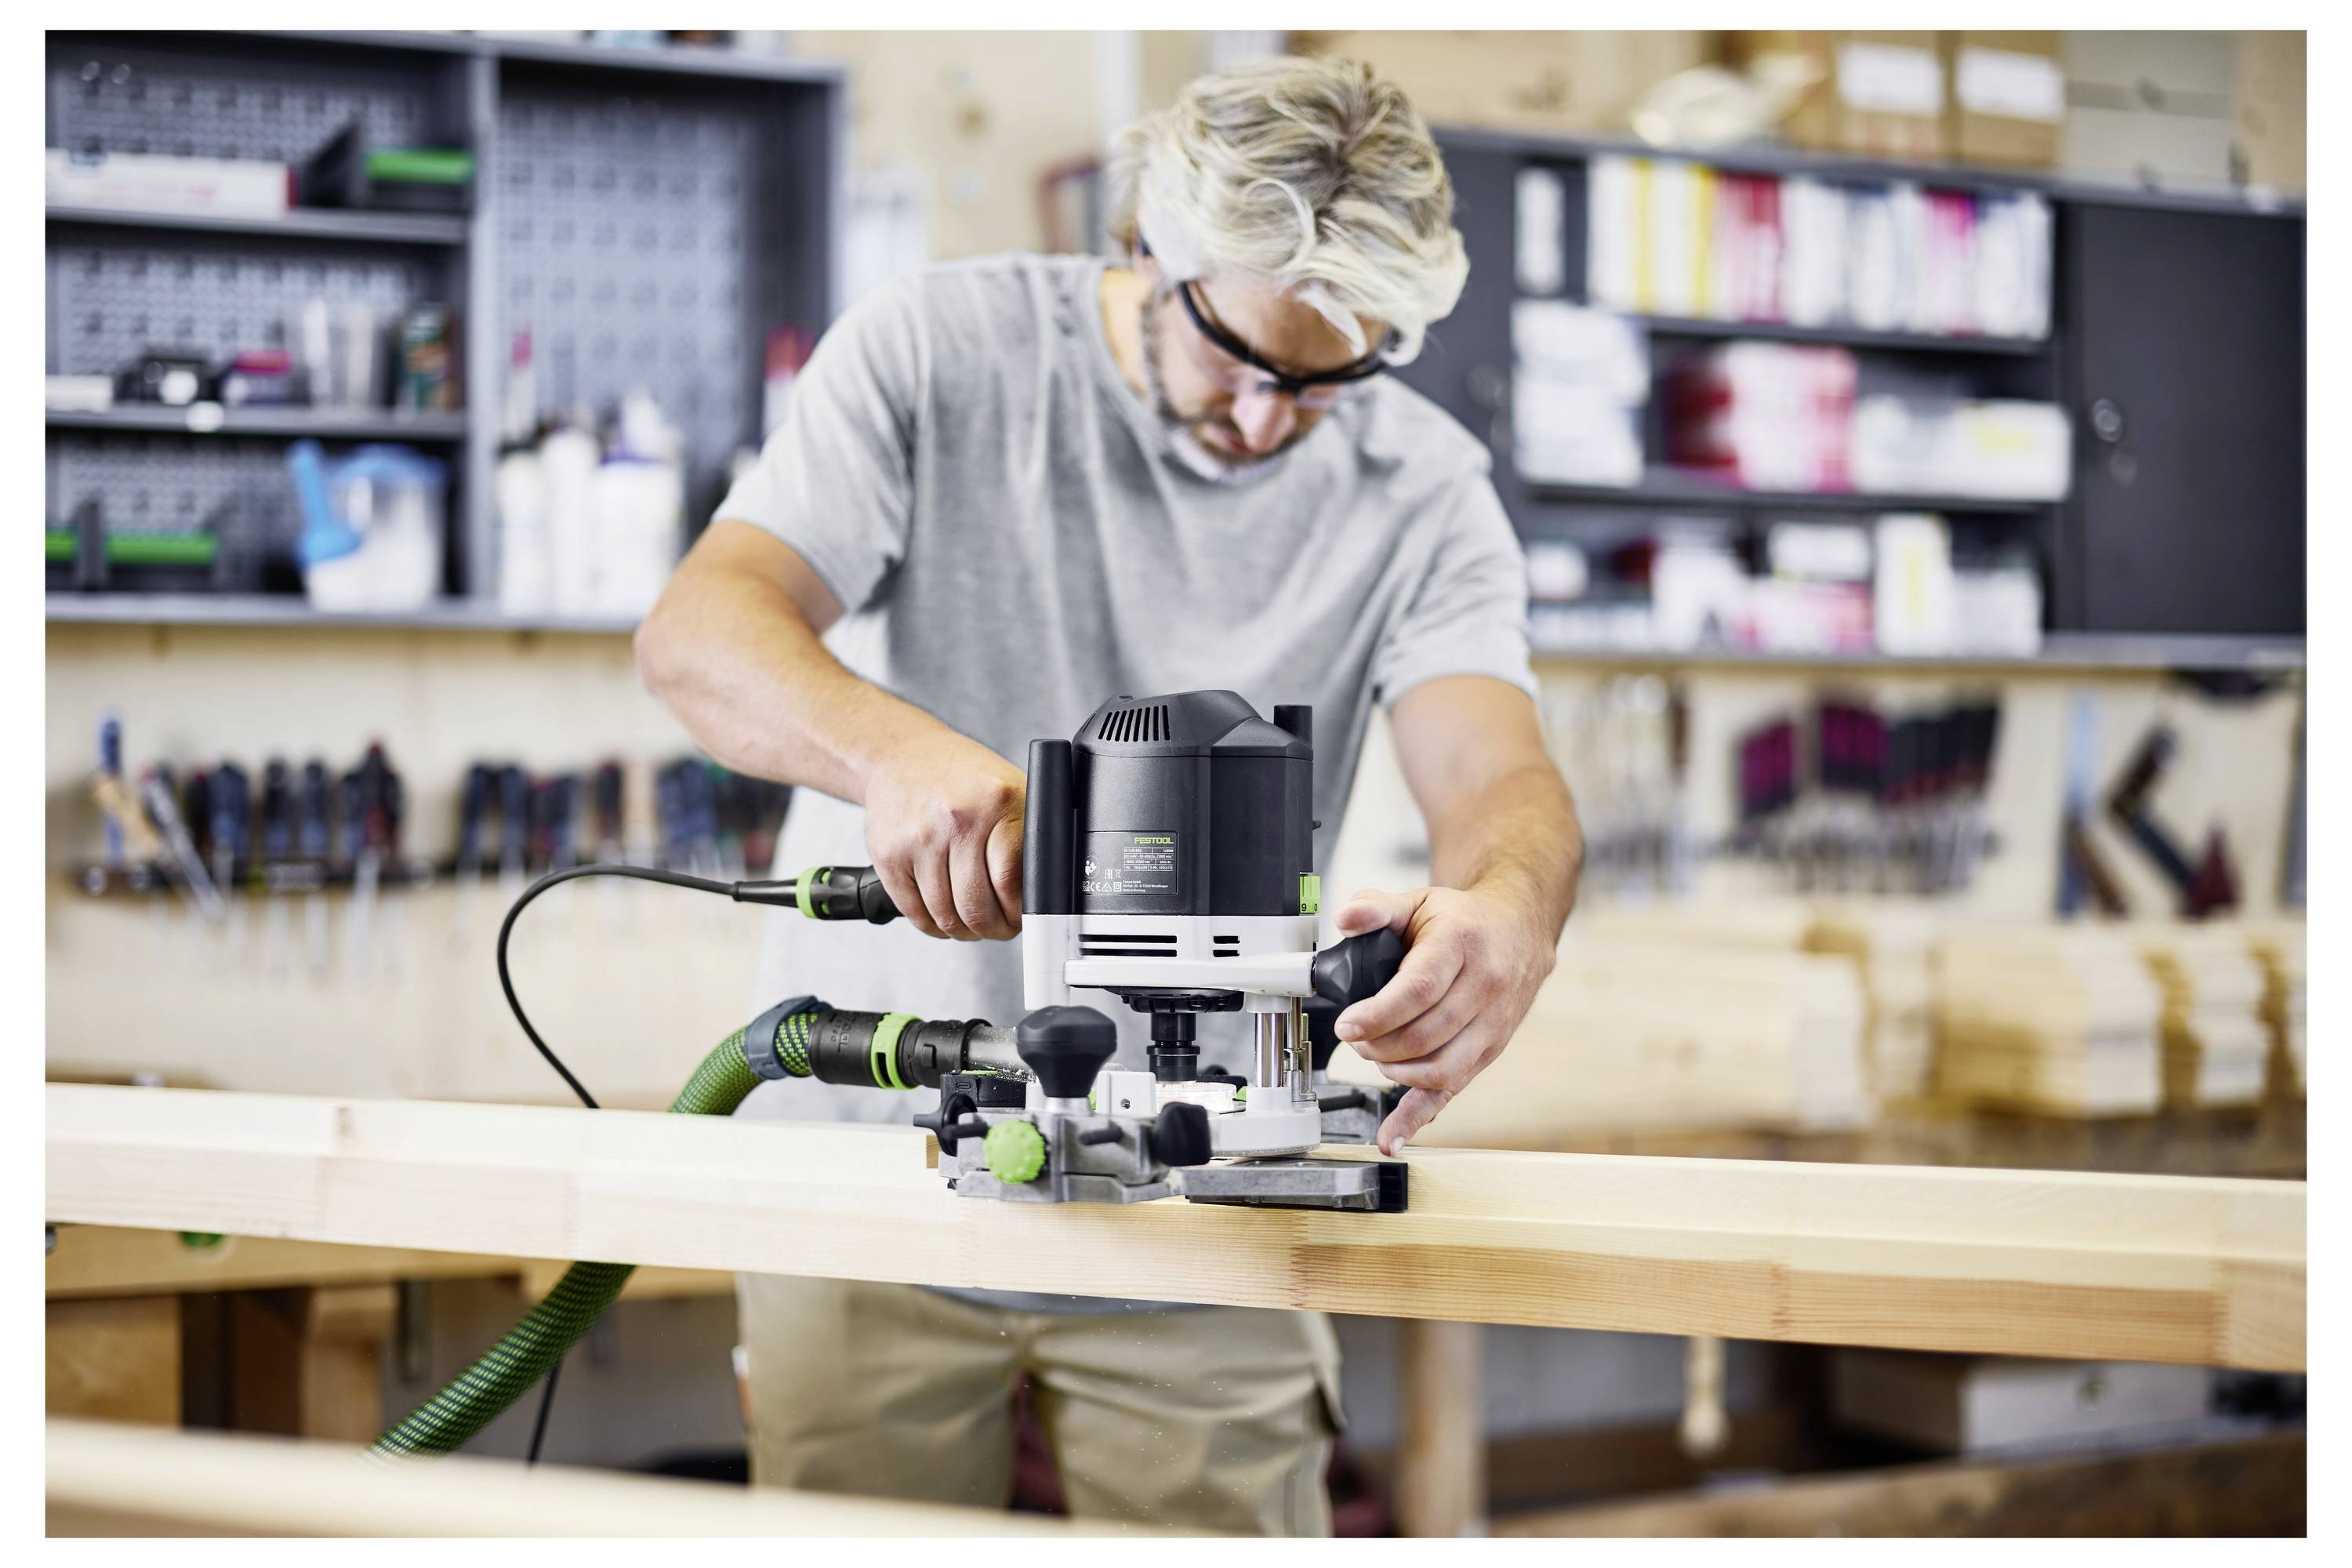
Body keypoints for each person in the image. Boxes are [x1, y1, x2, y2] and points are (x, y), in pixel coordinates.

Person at [635, 54, 1583, 1537]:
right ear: (1146, 240)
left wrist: (1507, 910)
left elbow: (1499, 772)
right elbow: (700, 632)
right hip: (876, 1150)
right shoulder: (940, 350)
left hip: (1220, 1183)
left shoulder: (1426, 488)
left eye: (1326, 381)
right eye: (1240, 357)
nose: (1266, 420)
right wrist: (890, 754)